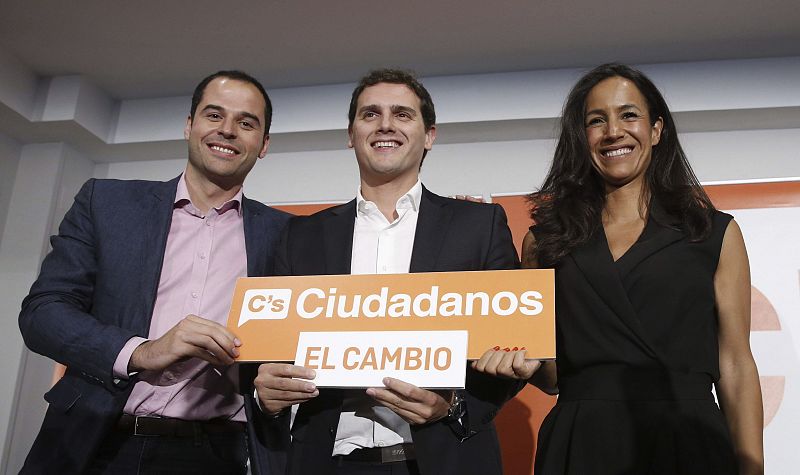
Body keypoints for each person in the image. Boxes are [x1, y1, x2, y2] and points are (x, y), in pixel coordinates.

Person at [473, 63, 764, 474]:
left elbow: (735, 364)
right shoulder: (545, 242)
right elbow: (552, 374)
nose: (613, 131)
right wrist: (522, 363)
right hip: (582, 442)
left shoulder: (713, 233)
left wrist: (752, 467)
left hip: (690, 441)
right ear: (582, 137)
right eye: (597, 120)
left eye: (629, 115)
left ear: (657, 130)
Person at [242, 68, 521, 475]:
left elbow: (514, 344)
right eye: (370, 114)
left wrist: (454, 406)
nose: (385, 124)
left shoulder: (479, 225)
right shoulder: (299, 236)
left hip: (444, 457)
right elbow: (264, 351)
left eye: (403, 114)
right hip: (326, 463)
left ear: (430, 135)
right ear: (350, 133)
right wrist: (263, 392)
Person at [18, 70, 291, 474]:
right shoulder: (107, 203)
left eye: (247, 123)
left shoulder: (287, 234)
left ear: (263, 144)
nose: (228, 130)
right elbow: (42, 313)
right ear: (189, 125)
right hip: (94, 443)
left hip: (216, 455)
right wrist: (141, 351)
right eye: (214, 115)